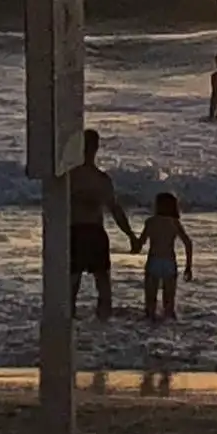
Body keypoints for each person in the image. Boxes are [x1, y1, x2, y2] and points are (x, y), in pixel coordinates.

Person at [69, 129, 137, 318]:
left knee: (79, 283)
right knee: (98, 284)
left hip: (83, 231)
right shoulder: (98, 179)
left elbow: (115, 210)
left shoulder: (71, 177)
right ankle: (100, 321)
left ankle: (77, 321)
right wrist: (130, 235)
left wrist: (130, 234)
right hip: (88, 231)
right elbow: (115, 209)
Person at [139, 192, 194, 320]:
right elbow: (188, 243)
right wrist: (188, 266)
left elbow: (140, 243)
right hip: (169, 263)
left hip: (153, 262)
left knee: (150, 304)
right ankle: (170, 331)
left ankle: (148, 330)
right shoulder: (174, 223)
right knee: (169, 305)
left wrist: (132, 242)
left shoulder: (151, 222)